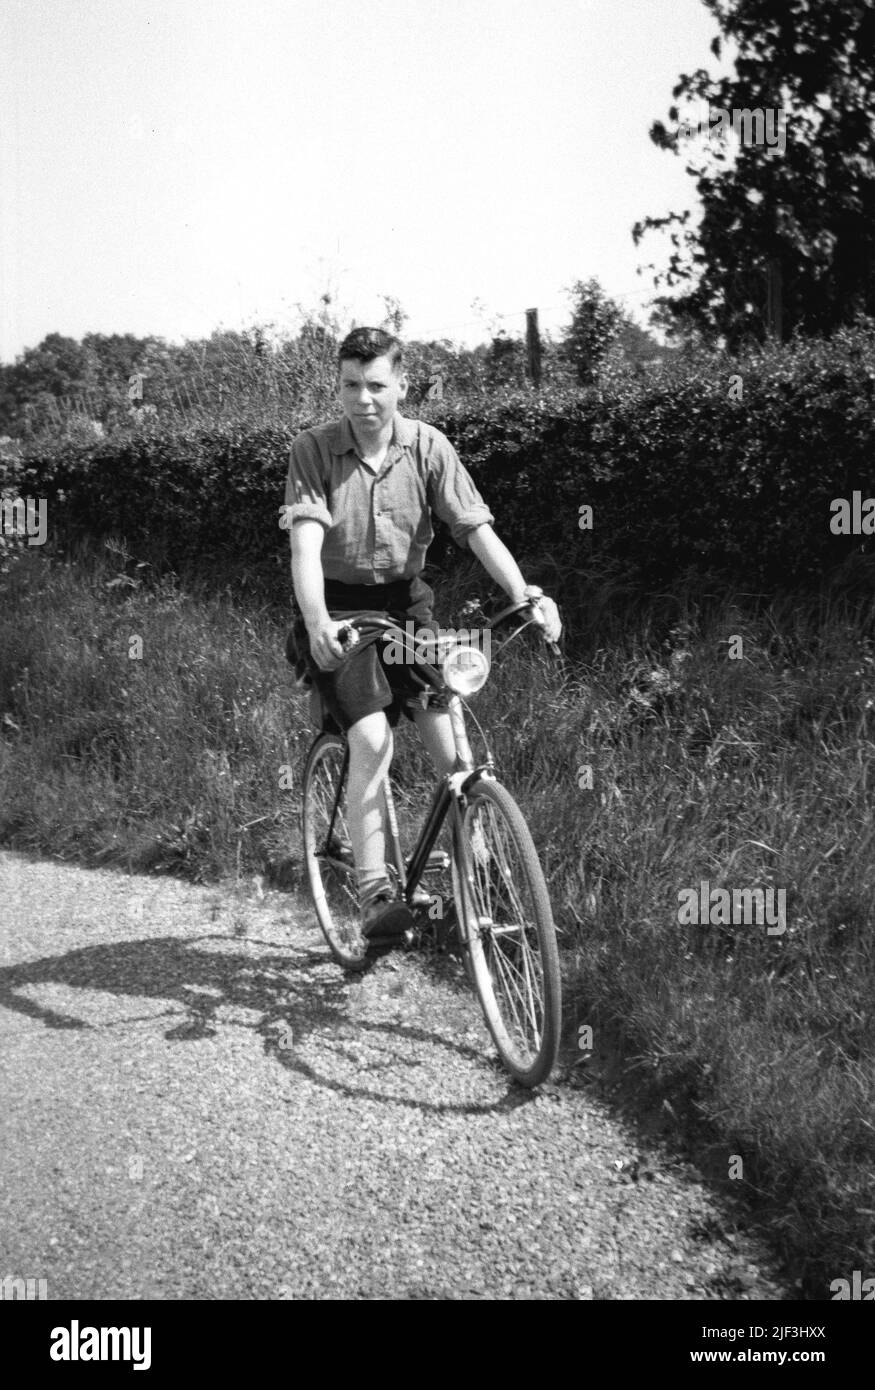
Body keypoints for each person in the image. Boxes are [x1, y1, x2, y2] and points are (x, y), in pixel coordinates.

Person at [284, 327, 561, 939]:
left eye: (376, 385)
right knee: (374, 739)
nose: (363, 400)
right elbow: (305, 546)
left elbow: (474, 529)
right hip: (337, 609)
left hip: (407, 606)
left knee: (452, 743)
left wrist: (525, 596)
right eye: (351, 386)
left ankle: (479, 873)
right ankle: (374, 891)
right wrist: (316, 624)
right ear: (338, 386)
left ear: (401, 386)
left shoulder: (429, 447)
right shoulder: (313, 450)